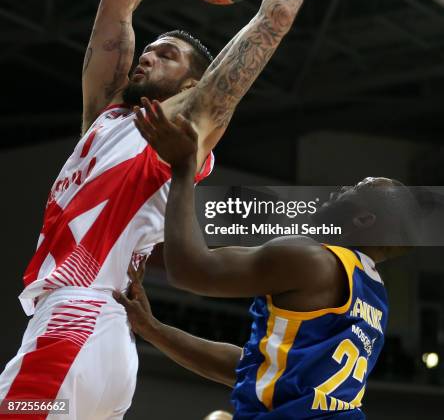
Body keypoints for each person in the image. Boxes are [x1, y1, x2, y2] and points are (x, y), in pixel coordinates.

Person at [0, 0, 329, 420]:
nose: (149, 55)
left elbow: (270, 26)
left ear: (193, 82)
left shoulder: (185, 123)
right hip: (89, 335)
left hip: (79, 320)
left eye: (168, 55)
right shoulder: (104, 117)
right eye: (149, 49)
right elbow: (117, 5)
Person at [115, 98, 420, 419]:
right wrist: (153, 330)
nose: (342, 187)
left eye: (358, 187)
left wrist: (183, 167)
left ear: (364, 220)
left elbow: (190, 269)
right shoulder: (375, 299)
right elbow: (253, 369)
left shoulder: (312, 260)